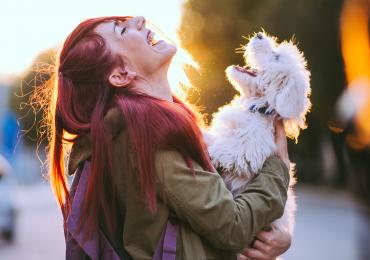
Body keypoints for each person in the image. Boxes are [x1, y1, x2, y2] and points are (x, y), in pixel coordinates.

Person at [47, 15, 292, 259]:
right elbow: (232, 226)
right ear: (121, 75)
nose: (140, 20)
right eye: (121, 31)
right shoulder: (147, 135)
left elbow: (201, 223)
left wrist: (273, 236)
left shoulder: (139, 128)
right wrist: (277, 167)